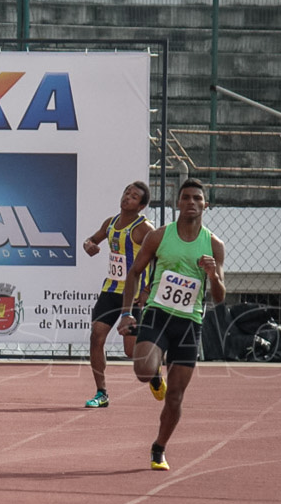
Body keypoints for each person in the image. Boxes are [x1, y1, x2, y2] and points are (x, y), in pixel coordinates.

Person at [117, 178, 226, 471]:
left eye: (197, 199)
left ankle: (159, 447)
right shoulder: (159, 237)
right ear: (177, 203)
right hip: (157, 313)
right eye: (186, 197)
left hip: (190, 323)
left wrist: (213, 274)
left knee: (176, 396)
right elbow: (134, 272)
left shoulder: (214, 245)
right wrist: (127, 313)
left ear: (206, 205)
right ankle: (154, 376)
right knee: (142, 371)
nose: (191, 202)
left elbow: (219, 296)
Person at [81, 181, 154, 408]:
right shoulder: (111, 223)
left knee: (131, 351)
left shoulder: (145, 229)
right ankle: (101, 392)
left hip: (132, 295)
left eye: (133, 197)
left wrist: (146, 289)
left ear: (141, 206)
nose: (127, 198)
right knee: (96, 336)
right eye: (126, 193)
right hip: (110, 290)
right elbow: (91, 240)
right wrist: (89, 245)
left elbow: (160, 259)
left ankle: (155, 367)